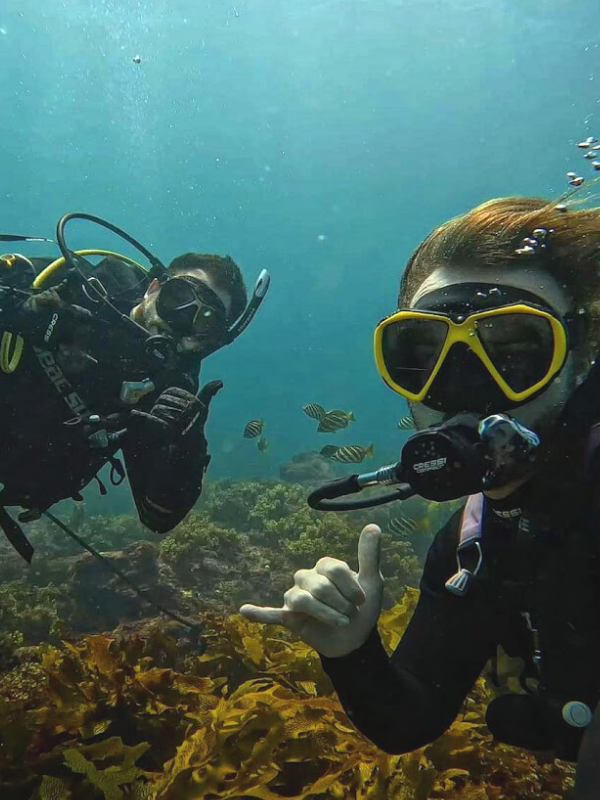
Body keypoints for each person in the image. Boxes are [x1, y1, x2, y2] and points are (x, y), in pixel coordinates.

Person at [240, 195, 600, 781]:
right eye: (421, 356)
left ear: (579, 359)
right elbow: (410, 718)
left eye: (513, 351)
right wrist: (352, 653)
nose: (461, 388)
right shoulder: (473, 543)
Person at [0, 233, 262, 560]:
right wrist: (15, 311)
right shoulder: (67, 288)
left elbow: (159, 519)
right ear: (153, 288)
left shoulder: (164, 391)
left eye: (206, 326)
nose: (180, 326)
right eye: (179, 300)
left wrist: (186, 449)